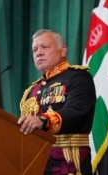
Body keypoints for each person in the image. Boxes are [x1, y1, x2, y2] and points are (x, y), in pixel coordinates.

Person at [17, 29, 96, 175]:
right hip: (36, 165)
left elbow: (77, 111)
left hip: (68, 163)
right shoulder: (32, 90)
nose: (38, 53)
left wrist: (44, 120)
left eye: (45, 47)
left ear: (63, 50)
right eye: (35, 49)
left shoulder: (78, 77)